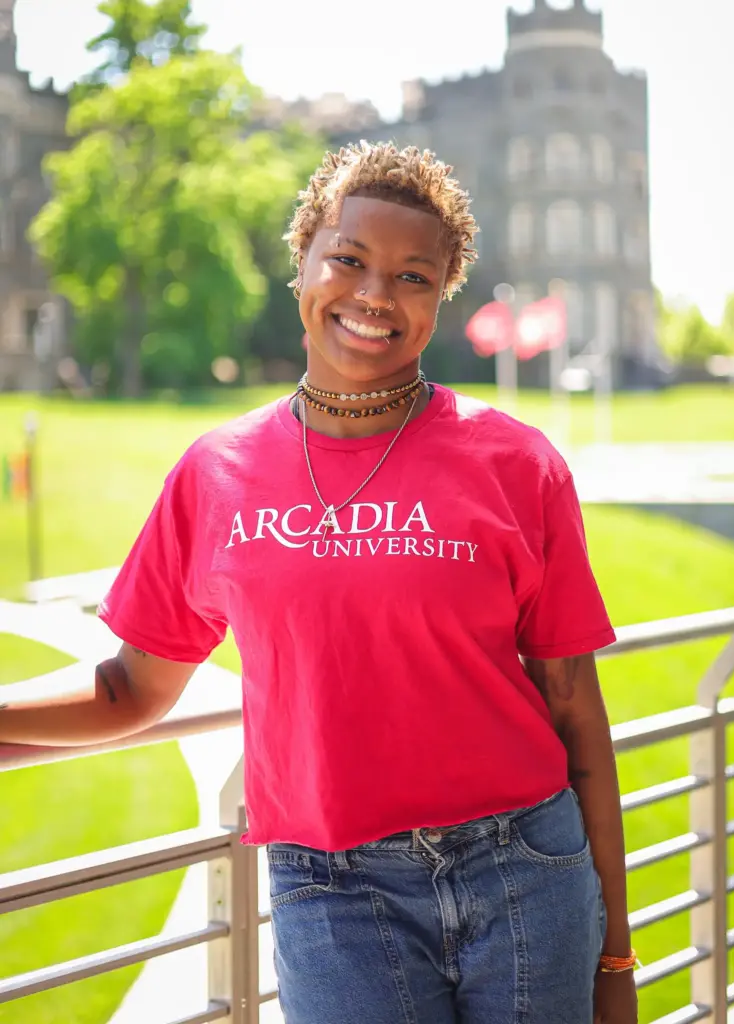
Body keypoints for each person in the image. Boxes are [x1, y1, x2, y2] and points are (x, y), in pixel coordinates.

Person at [0, 142, 638, 1024]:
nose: (375, 295)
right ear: (301, 260)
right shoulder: (215, 473)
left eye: (414, 276)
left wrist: (617, 956)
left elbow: (576, 714)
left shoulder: (515, 463)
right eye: (348, 259)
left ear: (441, 296)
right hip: (333, 891)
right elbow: (127, 687)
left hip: (524, 867)